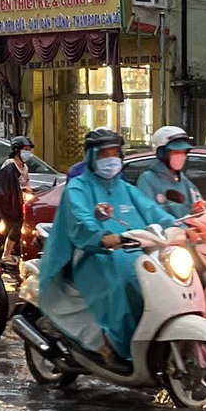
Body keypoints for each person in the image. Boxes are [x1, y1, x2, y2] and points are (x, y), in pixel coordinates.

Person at [43, 127, 184, 366]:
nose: (111, 159)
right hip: (88, 252)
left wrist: (182, 228)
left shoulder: (126, 188)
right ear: (91, 157)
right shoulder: (78, 188)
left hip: (133, 250)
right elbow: (81, 221)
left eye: (115, 153)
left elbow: (154, 212)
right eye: (104, 154)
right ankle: (116, 345)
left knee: (156, 279)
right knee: (122, 283)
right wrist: (102, 236)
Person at [134, 126, 203, 218]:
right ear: (162, 153)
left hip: (186, 229)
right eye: (176, 152)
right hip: (163, 231)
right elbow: (148, 212)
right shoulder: (148, 179)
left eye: (183, 152)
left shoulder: (181, 179)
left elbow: (197, 201)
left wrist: (199, 208)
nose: (181, 156)